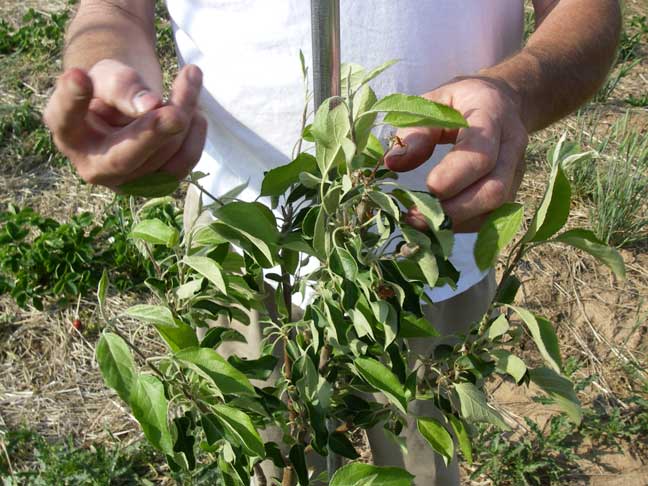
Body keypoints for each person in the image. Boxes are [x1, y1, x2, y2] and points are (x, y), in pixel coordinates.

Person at [44, 1, 621, 484]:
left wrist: (514, 91)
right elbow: (114, 7)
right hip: (236, 251)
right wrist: (104, 60)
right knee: (267, 462)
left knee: (424, 461)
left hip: (432, 246)